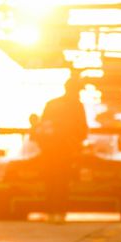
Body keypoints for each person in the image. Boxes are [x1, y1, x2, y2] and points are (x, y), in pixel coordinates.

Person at [34, 77, 89, 223]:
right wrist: (75, 143)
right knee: (62, 180)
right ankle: (59, 212)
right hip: (65, 150)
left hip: (49, 149)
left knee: (50, 180)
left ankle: (51, 212)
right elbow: (83, 130)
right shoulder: (77, 106)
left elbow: (42, 127)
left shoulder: (51, 104)